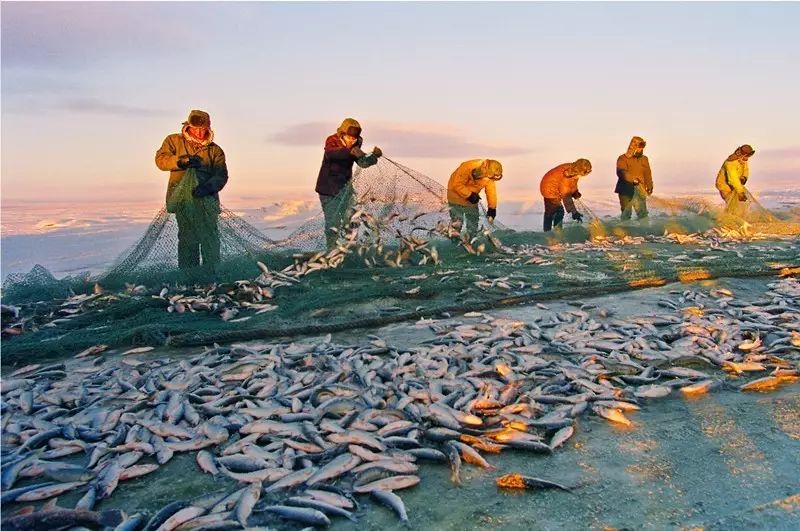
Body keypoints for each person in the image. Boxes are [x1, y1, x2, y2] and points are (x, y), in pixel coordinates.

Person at [155, 109, 228, 271]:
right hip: (183, 202)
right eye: (196, 128)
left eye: (203, 129)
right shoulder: (173, 141)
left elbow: (221, 175)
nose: (200, 132)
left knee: (210, 240)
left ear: (209, 128)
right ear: (188, 126)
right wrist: (181, 162)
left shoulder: (215, 150)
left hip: (207, 203)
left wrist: (208, 187)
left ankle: (211, 276)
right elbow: (161, 160)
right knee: (188, 240)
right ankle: (189, 278)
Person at [315, 118, 382, 249]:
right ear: (342, 134)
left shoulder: (356, 143)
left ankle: (348, 248)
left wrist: (374, 156)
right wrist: (349, 151)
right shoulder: (332, 140)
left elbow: (362, 162)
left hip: (345, 190)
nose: (352, 140)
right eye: (349, 137)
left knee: (351, 220)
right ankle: (332, 251)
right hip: (328, 191)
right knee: (333, 223)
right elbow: (331, 154)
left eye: (354, 138)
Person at [446, 159, 502, 238]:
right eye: (488, 175)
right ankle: (453, 243)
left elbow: (491, 192)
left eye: (490, 176)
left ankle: (470, 243)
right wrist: (470, 195)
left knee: (473, 224)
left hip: (472, 200)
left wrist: (492, 209)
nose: (488, 178)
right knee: (457, 224)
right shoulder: (467, 166)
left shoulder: (489, 177)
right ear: (484, 166)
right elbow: (457, 184)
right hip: (455, 197)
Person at [539, 159, 592, 231]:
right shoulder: (566, 178)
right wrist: (574, 212)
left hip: (554, 185)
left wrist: (575, 191)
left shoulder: (573, 170)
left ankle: (556, 231)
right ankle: (548, 233)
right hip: (549, 189)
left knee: (556, 212)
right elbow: (566, 197)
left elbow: (573, 183)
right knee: (555, 211)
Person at [615, 136, 653, 221]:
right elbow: (621, 172)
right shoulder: (622, 158)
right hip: (625, 190)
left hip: (640, 190)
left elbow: (647, 173)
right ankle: (625, 231)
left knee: (642, 213)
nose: (640, 150)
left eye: (641, 148)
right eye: (639, 147)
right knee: (626, 213)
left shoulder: (644, 159)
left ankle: (643, 231)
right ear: (633, 147)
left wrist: (649, 186)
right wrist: (633, 179)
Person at [716, 144, 755, 212]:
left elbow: (746, 169)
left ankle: (734, 218)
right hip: (725, 186)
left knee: (738, 205)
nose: (748, 157)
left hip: (735, 186)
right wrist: (740, 192)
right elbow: (732, 179)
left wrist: (744, 177)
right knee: (731, 204)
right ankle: (728, 219)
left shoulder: (743, 160)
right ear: (744, 154)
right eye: (748, 155)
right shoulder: (730, 162)